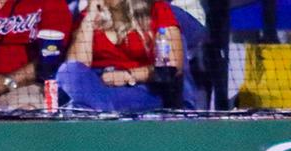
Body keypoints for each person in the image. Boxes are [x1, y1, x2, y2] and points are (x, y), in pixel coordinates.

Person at [56, 0, 195, 111]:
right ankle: (98, 112)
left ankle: (89, 111)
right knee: (66, 71)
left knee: (81, 106)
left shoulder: (157, 9)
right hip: (94, 84)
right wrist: (90, 18)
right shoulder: (86, 15)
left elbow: (173, 66)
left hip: (140, 87)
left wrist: (127, 76)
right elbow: (76, 65)